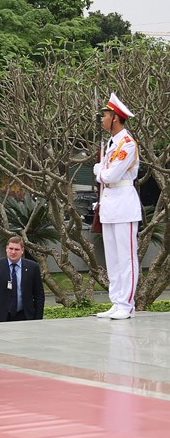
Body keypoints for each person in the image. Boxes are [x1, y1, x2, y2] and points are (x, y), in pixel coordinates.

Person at [93, 93, 141, 320]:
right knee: (112, 257)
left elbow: (110, 173)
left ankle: (127, 303)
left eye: (105, 115)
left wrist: (99, 172)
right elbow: (105, 173)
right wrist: (101, 172)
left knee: (126, 257)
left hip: (123, 202)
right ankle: (116, 300)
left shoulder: (127, 144)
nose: (102, 119)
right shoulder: (112, 144)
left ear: (115, 118)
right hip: (110, 203)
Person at [0, 236, 45, 323]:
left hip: (24, 316)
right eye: (11, 248)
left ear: (22, 250)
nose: (13, 252)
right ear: (6, 249)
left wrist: (38, 318)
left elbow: (39, 295)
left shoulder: (32, 267)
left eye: (17, 249)